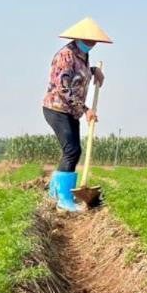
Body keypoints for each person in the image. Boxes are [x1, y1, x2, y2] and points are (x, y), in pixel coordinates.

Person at [42, 17, 112, 211]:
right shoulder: (66, 55)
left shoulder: (82, 56)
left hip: (71, 112)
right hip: (57, 108)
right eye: (88, 40)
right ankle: (64, 199)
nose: (92, 44)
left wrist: (93, 70)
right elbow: (63, 88)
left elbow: (78, 74)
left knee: (74, 150)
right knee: (72, 150)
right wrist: (86, 109)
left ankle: (55, 194)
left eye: (94, 41)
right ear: (78, 38)